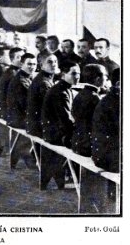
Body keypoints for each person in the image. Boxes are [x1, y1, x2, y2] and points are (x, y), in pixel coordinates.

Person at [41, 61, 81, 189]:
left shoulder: (63, 88)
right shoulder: (61, 93)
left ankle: (73, 175)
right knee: (85, 143)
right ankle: (80, 180)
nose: (77, 77)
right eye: (74, 73)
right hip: (54, 135)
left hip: (53, 131)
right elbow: (66, 121)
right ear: (63, 74)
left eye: (79, 73)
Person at [6, 53, 37, 168]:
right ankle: (33, 157)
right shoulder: (20, 81)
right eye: (29, 64)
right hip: (17, 119)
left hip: (19, 116)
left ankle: (31, 155)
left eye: (34, 64)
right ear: (22, 64)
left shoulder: (26, 77)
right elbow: (26, 105)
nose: (32, 67)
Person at [71, 64, 108, 157]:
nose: (106, 79)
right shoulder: (95, 98)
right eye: (105, 76)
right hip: (86, 146)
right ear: (98, 79)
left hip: (76, 142)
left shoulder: (80, 94)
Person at [92, 68, 120, 173]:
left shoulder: (112, 99)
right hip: (108, 158)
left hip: (103, 153)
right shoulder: (115, 103)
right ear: (119, 84)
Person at [26, 54, 58, 138]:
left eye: (55, 61)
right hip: (39, 127)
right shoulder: (44, 82)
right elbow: (52, 107)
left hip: (35, 123)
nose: (54, 64)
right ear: (41, 65)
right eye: (50, 62)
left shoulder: (44, 78)